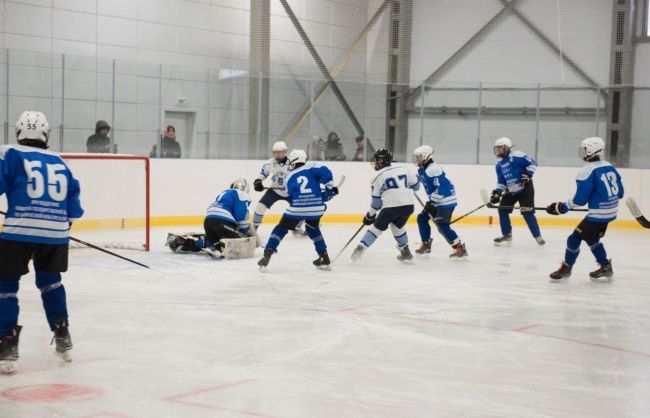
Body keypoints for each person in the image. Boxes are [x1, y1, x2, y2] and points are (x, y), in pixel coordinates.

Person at [0, 111, 84, 374]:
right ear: (46, 133)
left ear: (18, 132)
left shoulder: (10, 153)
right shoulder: (61, 161)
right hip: (55, 233)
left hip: (19, 230)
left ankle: (7, 343)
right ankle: (62, 333)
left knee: (5, 286)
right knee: (51, 282)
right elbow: (74, 209)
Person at [547, 137, 624, 282]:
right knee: (591, 237)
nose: (581, 152)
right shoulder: (609, 166)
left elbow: (580, 200)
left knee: (573, 239)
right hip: (611, 213)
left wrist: (562, 207)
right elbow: (620, 193)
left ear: (590, 151)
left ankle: (567, 267)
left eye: (583, 149)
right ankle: (605, 266)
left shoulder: (587, 170)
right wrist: (602, 201)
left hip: (598, 215)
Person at [257, 149, 338, 271]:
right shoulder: (312, 167)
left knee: (281, 228)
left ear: (293, 161)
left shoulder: (288, 178)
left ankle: (267, 254)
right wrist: (329, 191)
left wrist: (323, 194)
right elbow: (326, 173)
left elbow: (298, 196)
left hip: (298, 208)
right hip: (317, 208)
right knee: (312, 228)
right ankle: (324, 256)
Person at [351, 149, 419, 263]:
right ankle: (405, 251)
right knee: (397, 226)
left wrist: (369, 216)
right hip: (409, 206)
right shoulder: (404, 169)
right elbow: (416, 187)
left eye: (377, 159)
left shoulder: (377, 176)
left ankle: (359, 250)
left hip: (391, 207)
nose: (375, 162)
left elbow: (376, 203)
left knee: (376, 229)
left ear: (382, 160)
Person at [167, 178, 251, 254]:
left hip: (208, 221)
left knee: (214, 242)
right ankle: (217, 246)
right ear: (245, 188)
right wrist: (244, 233)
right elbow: (241, 216)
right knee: (239, 240)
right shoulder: (241, 194)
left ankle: (185, 243)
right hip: (221, 222)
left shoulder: (224, 193)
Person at [413, 145, 467, 258]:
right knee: (422, 218)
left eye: (418, 157)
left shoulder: (433, 169)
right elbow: (421, 181)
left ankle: (459, 247)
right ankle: (426, 244)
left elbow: (442, 189)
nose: (416, 159)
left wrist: (431, 202)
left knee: (442, 225)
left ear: (425, 156)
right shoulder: (423, 169)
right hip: (437, 201)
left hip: (445, 200)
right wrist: (409, 182)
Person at [489, 137, 544, 246]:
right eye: (497, 148)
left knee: (527, 213)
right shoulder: (499, 165)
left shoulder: (517, 155)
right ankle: (507, 234)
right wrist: (497, 192)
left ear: (507, 147)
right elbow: (501, 182)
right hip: (511, 191)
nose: (498, 150)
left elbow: (533, 163)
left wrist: (528, 175)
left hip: (525, 189)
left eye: (500, 147)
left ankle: (538, 236)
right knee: (502, 210)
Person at [252, 141, 305, 236]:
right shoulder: (269, 163)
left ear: (285, 152)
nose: (278, 154)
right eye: (275, 152)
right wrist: (258, 182)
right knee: (260, 206)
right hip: (274, 191)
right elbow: (263, 174)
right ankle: (254, 228)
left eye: (280, 152)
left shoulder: (293, 162)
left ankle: (296, 228)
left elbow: (301, 175)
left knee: (301, 207)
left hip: (291, 191)